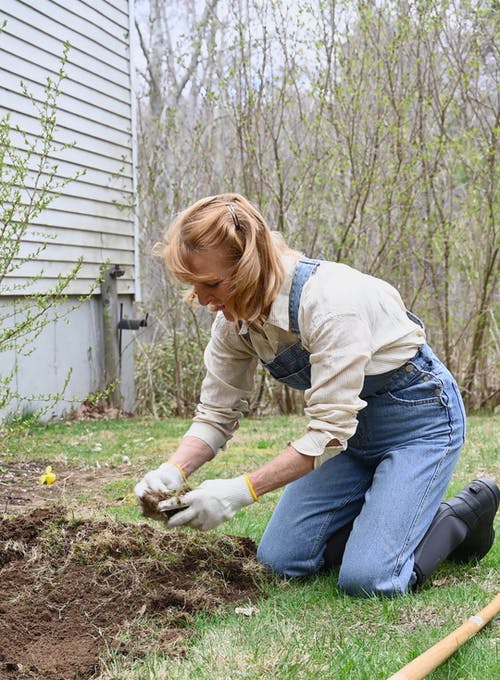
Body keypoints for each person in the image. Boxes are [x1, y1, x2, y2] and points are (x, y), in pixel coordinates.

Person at [135, 193, 499, 597]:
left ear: (248, 265)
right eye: (193, 285)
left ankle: (462, 515)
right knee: (279, 561)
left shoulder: (329, 303)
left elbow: (326, 432)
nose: (202, 300)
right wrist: (173, 471)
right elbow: (216, 416)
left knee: (369, 581)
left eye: (211, 284)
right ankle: (382, 517)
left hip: (418, 423)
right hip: (349, 438)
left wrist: (241, 491)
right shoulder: (235, 322)